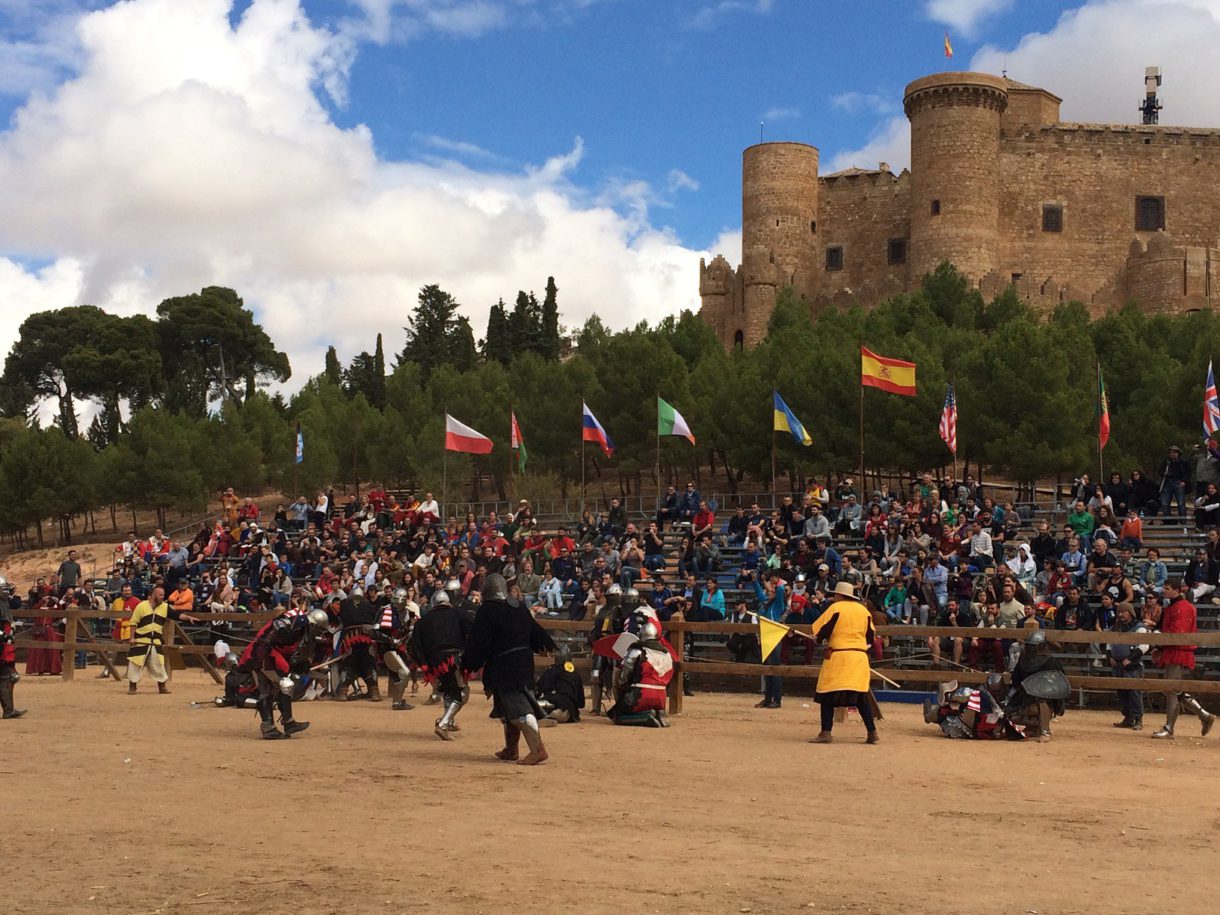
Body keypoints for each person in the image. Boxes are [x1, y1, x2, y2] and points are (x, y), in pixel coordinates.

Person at [461, 573, 556, 766]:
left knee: (519, 708)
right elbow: (535, 631)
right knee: (506, 709)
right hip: (522, 662)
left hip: (505, 666)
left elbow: (479, 640)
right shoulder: (518, 606)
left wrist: (468, 661)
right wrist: (546, 644)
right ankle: (511, 749)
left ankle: (537, 749)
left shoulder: (487, 609)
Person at [237, 606, 328, 739]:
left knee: (273, 689)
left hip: (268, 653)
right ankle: (272, 727)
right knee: (280, 686)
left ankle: (285, 723)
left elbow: (284, 649)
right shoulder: (299, 622)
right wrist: (284, 632)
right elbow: (278, 623)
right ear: (314, 624)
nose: (318, 632)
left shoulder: (302, 631)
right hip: (262, 652)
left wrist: (296, 665)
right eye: (319, 629)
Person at [809, 582, 878, 744]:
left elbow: (823, 630)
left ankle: (826, 732)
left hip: (839, 657)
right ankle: (872, 732)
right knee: (861, 697)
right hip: (859, 658)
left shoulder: (836, 608)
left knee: (826, 695)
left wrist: (818, 639)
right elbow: (870, 637)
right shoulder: (864, 611)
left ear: (839, 595)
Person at [1151, 579, 1216, 739]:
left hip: (1178, 651)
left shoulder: (1182, 607)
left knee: (1172, 690)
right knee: (1174, 690)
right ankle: (1204, 715)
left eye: (1167, 588)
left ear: (1176, 590)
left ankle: (1169, 728)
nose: (1164, 591)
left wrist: (1159, 645)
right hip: (1173, 650)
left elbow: (1177, 633)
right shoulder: (1174, 606)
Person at [408, 589, 474, 740]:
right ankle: (443, 724)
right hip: (452, 658)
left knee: (448, 690)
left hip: (434, 662)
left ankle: (449, 721)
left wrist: (424, 663)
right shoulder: (458, 613)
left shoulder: (423, 621)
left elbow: (414, 646)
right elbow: (473, 630)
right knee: (461, 692)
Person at [608, 611, 677, 728]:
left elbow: (623, 675)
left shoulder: (637, 650)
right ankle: (657, 712)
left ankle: (646, 716)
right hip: (661, 697)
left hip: (640, 695)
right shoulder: (667, 654)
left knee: (616, 715)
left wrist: (623, 688)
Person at [1005, 630, 1069, 742]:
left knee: (1040, 700)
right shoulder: (1023, 661)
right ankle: (1032, 727)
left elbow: (1058, 682)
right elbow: (1016, 682)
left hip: (1046, 700)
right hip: (1025, 698)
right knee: (1010, 715)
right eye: (1029, 646)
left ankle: (1045, 730)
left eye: (1033, 646)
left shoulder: (1050, 662)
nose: (1030, 649)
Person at [126, 586, 186, 694]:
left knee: (158, 663)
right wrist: (132, 637)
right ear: (154, 595)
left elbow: (176, 615)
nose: (163, 597)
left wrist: (189, 618)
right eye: (161, 595)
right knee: (135, 663)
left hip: (156, 640)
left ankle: (162, 686)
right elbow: (133, 622)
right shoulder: (141, 606)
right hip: (141, 639)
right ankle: (132, 686)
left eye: (163, 595)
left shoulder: (164, 607)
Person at [1109, 601, 1148, 731]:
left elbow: (1143, 646)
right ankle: (1128, 717)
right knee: (1121, 692)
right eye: (1119, 612)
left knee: (1134, 692)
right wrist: (1110, 656)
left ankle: (1138, 718)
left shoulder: (1139, 627)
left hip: (1133, 665)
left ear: (1130, 613)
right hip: (1118, 665)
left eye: (1123, 611)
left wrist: (1130, 659)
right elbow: (1108, 643)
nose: (1120, 614)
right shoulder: (1115, 627)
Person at [536, 644, 585, 725]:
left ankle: (547, 717)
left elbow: (538, 690)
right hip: (570, 713)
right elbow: (581, 703)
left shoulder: (551, 670)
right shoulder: (576, 674)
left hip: (553, 708)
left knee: (534, 705)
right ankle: (552, 717)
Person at [0, 582, 26, 719]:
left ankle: (8, 710)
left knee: (8, 677)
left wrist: (10, 631)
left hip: (5, 647)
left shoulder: (4, 604)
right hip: (2, 647)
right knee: (8, 677)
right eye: (3, 589)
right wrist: (3, 635)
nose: (6, 592)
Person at [1159, 445, 1190, 521]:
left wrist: (1184, 481)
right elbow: (1160, 472)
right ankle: (1167, 521)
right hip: (1168, 483)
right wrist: (1164, 473)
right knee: (1165, 503)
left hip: (1179, 483)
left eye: (1175, 452)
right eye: (1171, 452)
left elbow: (1188, 473)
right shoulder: (1166, 462)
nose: (1172, 454)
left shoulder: (1183, 462)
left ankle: (1183, 522)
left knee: (1181, 503)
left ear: (1178, 453)